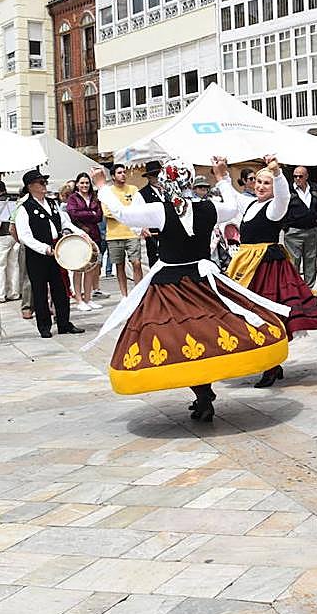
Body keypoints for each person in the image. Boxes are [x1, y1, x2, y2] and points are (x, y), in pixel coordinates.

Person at [86, 158, 291, 422]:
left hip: (169, 287)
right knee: (206, 334)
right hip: (204, 282)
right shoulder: (208, 208)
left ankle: (203, 395)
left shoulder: (160, 210)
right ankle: (204, 394)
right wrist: (222, 177)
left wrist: (102, 186)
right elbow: (230, 207)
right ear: (190, 181)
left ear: (165, 181)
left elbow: (124, 215)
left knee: (179, 339)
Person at [227, 155, 317, 387]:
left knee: (266, 313)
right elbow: (232, 200)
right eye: (257, 181)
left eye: (266, 183)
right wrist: (221, 175)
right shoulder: (250, 206)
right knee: (250, 313)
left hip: (267, 266)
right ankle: (270, 364)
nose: (260, 186)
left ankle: (271, 365)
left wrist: (277, 173)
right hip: (247, 264)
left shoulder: (274, 207)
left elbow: (284, 195)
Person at [14, 169, 86, 340]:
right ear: (30, 186)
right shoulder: (24, 208)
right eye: (41, 183)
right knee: (39, 291)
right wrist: (44, 248)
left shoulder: (52, 203)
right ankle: (44, 326)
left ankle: (64, 323)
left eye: (45, 182)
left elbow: (65, 222)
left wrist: (81, 234)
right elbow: (24, 236)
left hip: (57, 250)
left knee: (60, 289)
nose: (44, 185)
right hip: (37, 255)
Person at [101, 163, 144, 297]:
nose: (123, 175)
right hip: (114, 234)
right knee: (120, 265)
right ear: (113, 176)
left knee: (136, 263)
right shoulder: (108, 192)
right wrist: (126, 212)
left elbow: (139, 208)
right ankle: (125, 295)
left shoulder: (133, 189)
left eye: (124, 172)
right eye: (119, 173)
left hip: (132, 232)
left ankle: (138, 293)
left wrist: (123, 213)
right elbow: (107, 212)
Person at [65, 172, 104, 312]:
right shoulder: (73, 198)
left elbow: (99, 216)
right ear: (77, 184)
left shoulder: (94, 197)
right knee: (78, 268)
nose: (84, 185)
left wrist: (88, 214)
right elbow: (73, 213)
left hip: (94, 235)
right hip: (79, 235)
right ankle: (79, 299)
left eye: (87, 183)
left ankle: (88, 298)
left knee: (91, 268)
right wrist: (90, 213)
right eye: (82, 183)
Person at [283, 166, 317, 290]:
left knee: (311, 260)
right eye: (295, 176)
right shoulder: (288, 190)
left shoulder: (314, 188)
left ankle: (309, 288)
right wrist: (286, 227)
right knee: (293, 261)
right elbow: (282, 208)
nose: (297, 178)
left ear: (306, 176)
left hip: (311, 230)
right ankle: (294, 289)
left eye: (300, 176)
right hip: (294, 231)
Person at [138, 162, 164, 267]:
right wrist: (142, 227)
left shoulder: (170, 190)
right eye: (154, 175)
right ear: (148, 177)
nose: (157, 178)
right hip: (153, 234)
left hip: (170, 231)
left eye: (159, 174)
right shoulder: (142, 194)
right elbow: (138, 213)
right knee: (155, 262)